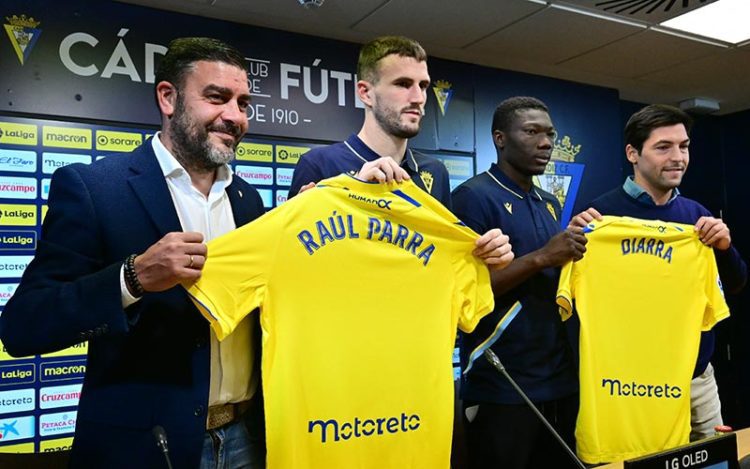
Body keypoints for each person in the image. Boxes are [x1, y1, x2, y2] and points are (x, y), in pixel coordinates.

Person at [0, 37, 266, 468]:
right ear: (168, 97)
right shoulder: (95, 189)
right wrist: (132, 278)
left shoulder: (249, 200)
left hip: (248, 441)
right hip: (147, 448)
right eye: (217, 98)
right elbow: (23, 326)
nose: (234, 116)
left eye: (243, 102)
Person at [569, 103, 747, 442]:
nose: (678, 157)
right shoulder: (599, 217)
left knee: (713, 460)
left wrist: (725, 248)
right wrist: (574, 242)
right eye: (663, 147)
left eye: (684, 146)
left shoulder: (697, 217)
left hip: (696, 379)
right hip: (629, 386)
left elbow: (737, 283)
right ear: (632, 153)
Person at [289, 35, 514, 269]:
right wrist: (347, 191)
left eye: (423, 86)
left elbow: (441, 257)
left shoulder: (435, 172)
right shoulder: (318, 164)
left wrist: (483, 254)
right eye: (403, 84)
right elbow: (292, 260)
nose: (418, 98)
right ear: (366, 93)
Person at [452, 96, 586, 469]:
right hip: (502, 382)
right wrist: (542, 256)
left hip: (557, 376)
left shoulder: (547, 201)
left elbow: (551, 274)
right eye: (531, 132)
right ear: (500, 138)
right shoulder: (473, 197)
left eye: (549, 134)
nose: (545, 142)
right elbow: (466, 292)